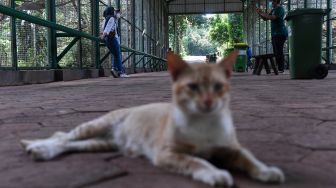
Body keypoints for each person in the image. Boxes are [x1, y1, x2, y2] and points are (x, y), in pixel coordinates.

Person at [256, 0, 288, 73]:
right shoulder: (273, 10)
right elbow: (265, 18)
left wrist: (262, 12)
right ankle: (279, 68)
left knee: (279, 51)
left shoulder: (280, 9)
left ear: (277, 1)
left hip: (280, 33)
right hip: (274, 34)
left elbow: (272, 17)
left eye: (273, 2)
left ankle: (281, 68)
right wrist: (260, 13)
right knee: (276, 51)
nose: (272, 3)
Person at [101, 6, 130, 78]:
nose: (116, 13)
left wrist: (104, 37)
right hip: (112, 39)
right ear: (111, 11)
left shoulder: (106, 19)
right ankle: (121, 72)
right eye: (115, 11)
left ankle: (114, 69)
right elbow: (107, 30)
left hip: (108, 39)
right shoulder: (111, 18)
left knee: (115, 55)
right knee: (118, 55)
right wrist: (103, 36)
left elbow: (103, 28)